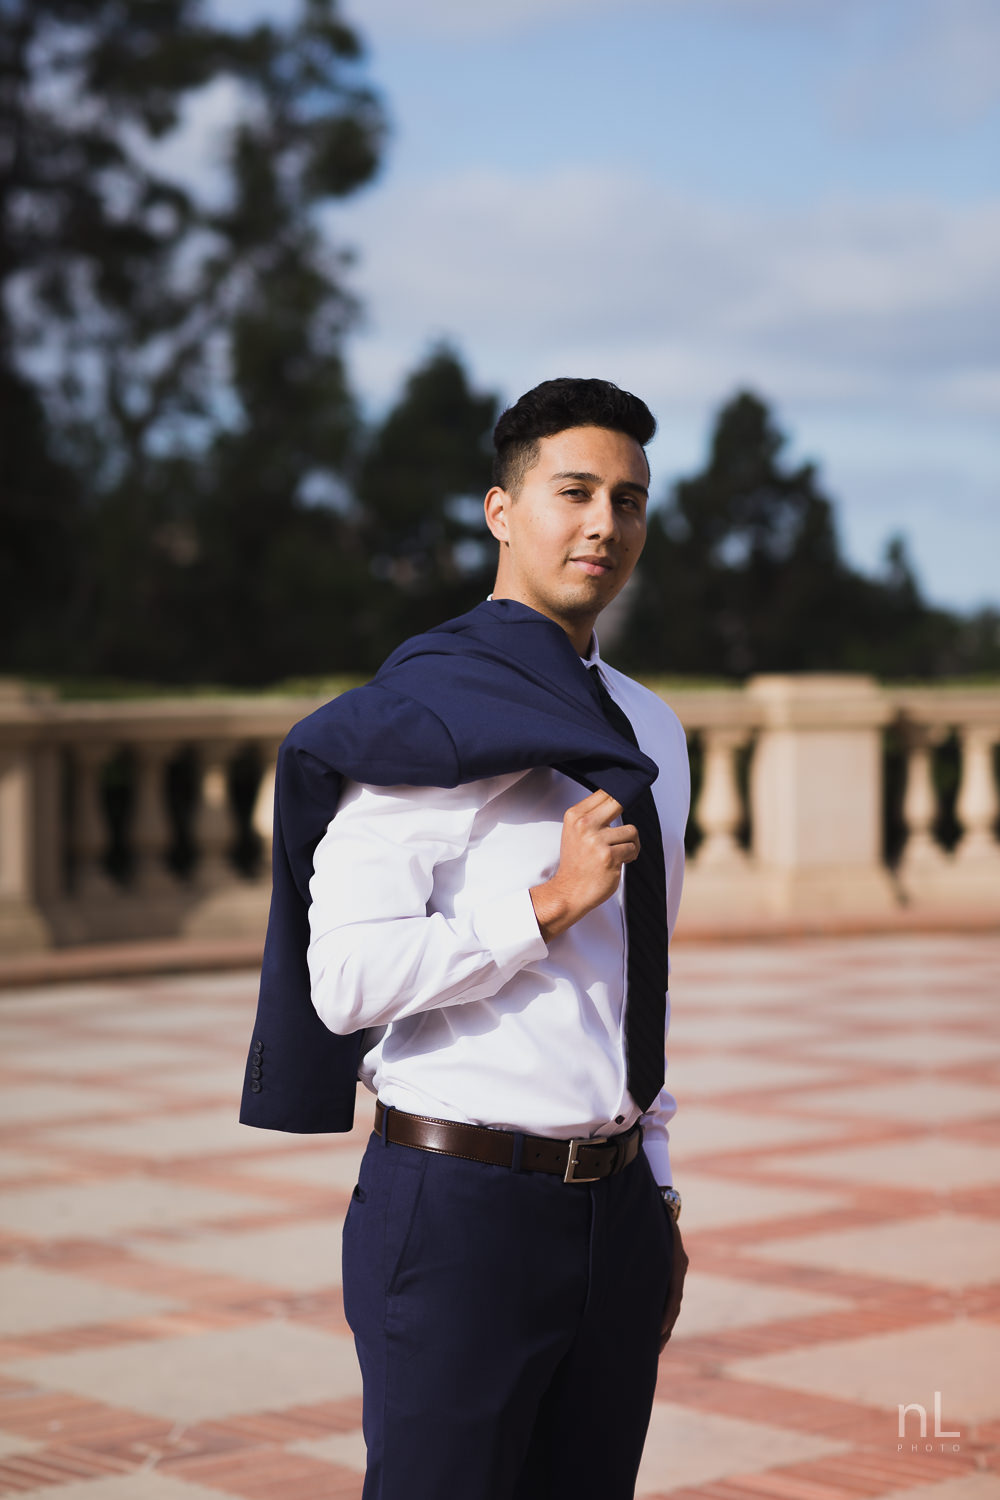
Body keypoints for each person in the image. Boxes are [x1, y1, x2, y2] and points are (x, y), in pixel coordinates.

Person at [240, 377, 689, 1500]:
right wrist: (541, 907)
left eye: (628, 500)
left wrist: (660, 1195)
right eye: (573, 492)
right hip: (459, 1216)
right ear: (500, 510)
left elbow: (642, 983)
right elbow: (342, 979)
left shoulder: (652, 731)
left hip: (616, 1209)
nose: (603, 525)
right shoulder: (430, 711)